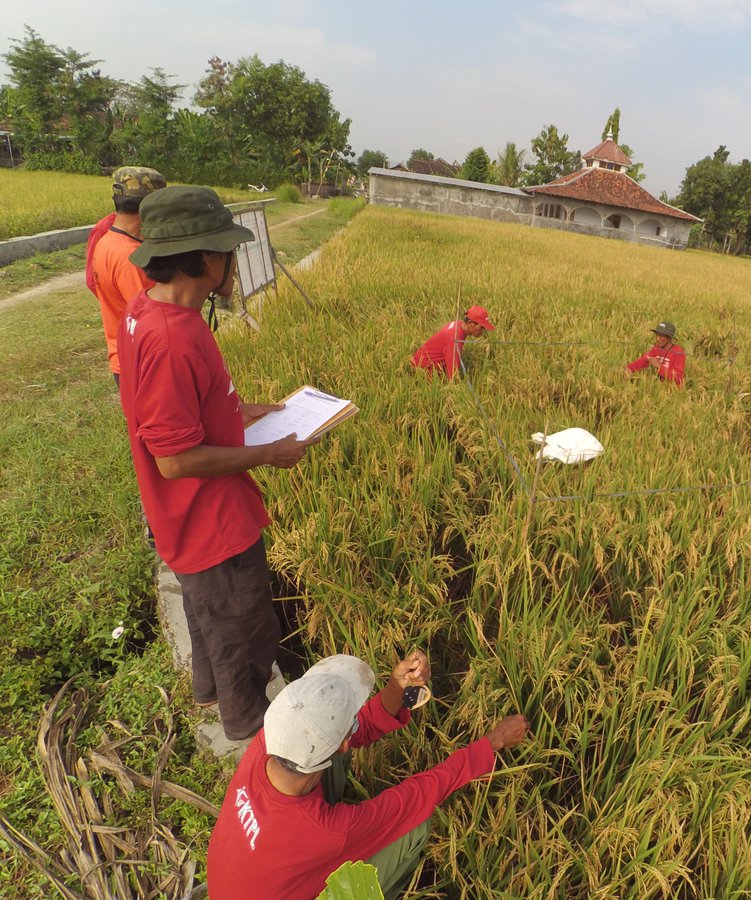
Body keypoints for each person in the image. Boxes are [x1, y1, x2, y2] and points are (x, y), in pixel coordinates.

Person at [118, 185, 318, 740]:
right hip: (211, 527)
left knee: (209, 623)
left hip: (185, 522)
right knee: (244, 637)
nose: (233, 263)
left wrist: (239, 410)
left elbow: (176, 411)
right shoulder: (172, 337)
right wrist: (269, 454)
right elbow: (175, 460)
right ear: (207, 258)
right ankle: (251, 737)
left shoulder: (146, 310)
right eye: (228, 251)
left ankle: (211, 698)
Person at [207, 651, 530, 900]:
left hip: (234, 883)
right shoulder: (327, 830)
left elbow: (351, 731)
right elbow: (414, 798)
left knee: (325, 758)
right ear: (344, 742)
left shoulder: (272, 740)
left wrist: (398, 687)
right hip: (294, 851)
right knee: (413, 828)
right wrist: (493, 743)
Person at [84, 165, 167, 386]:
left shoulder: (106, 242)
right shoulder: (132, 257)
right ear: (150, 207)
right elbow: (155, 321)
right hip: (143, 362)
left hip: (123, 356)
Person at [410, 305, 495, 378]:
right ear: (470, 322)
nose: (483, 331)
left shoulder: (458, 324)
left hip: (421, 362)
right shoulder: (454, 338)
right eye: (481, 327)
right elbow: (453, 376)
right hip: (422, 371)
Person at [625, 321, 686, 385]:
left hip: (672, 390)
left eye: (661, 336)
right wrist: (629, 368)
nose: (657, 339)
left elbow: (678, 378)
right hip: (657, 386)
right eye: (657, 335)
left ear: (669, 338)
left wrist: (659, 366)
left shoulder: (678, 352)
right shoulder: (656, 348)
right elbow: (644, 360)